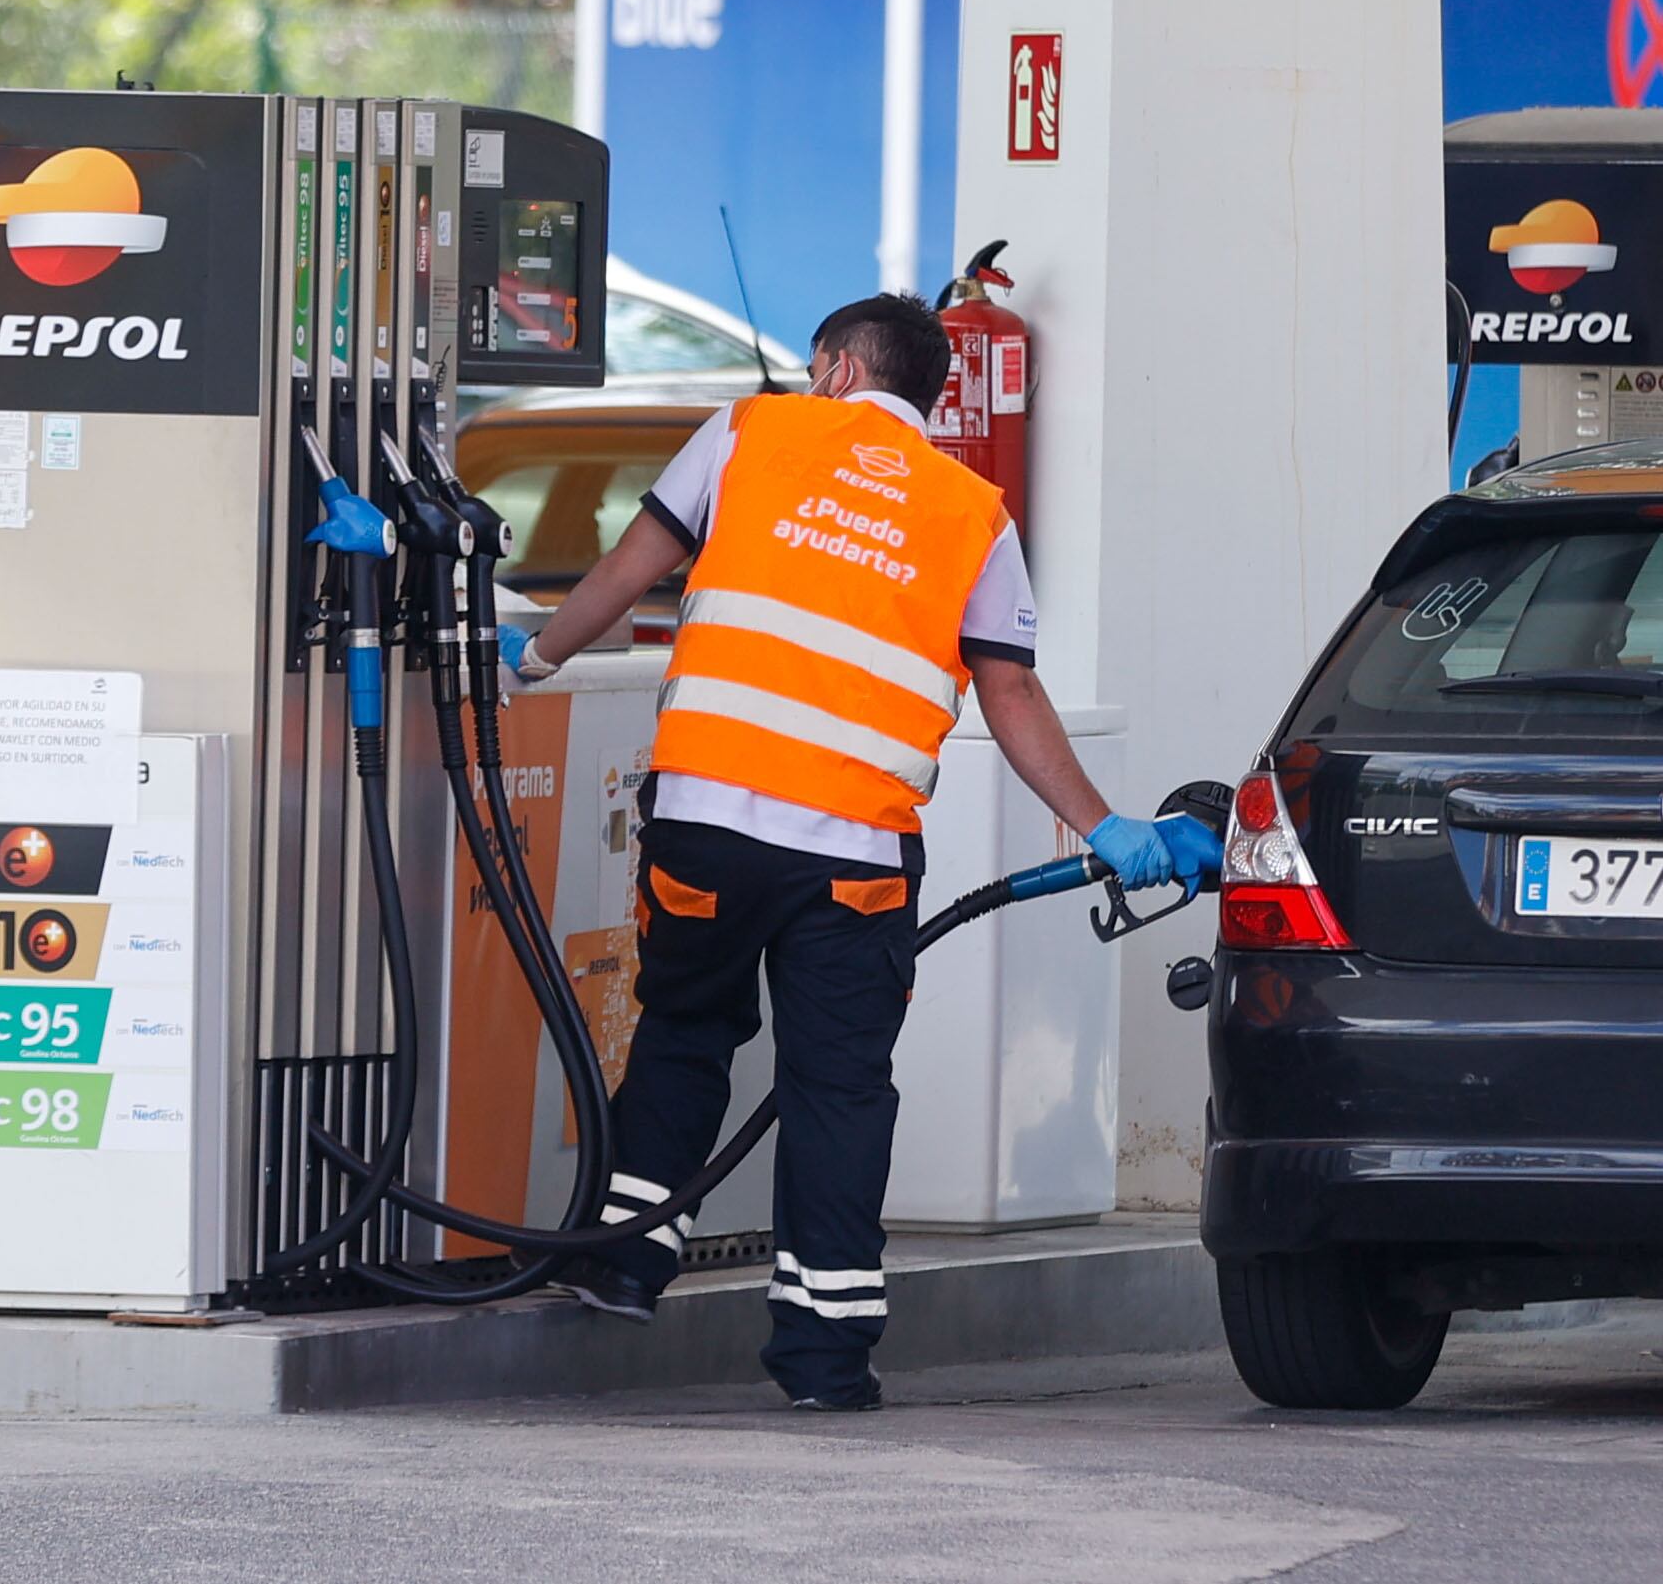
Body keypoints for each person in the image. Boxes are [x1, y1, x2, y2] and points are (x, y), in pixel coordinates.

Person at [500, 292, 1216, 1409]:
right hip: (852, 856)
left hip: (705, 823)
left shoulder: (746, 432)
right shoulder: (968, 508)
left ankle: (627, 1255)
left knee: (687, 1025)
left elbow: (631, 565)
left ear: (834, 367)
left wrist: (531, 656)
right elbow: (1010, 687)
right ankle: (824, 1356)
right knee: (836, 1086)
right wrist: (1105, 825)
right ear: (923, 395)